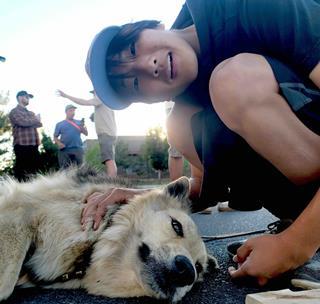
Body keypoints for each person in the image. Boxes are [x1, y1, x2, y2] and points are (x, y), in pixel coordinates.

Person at [83, 0, 320, 286]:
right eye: (134, 84)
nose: (148, 66)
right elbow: (203, 191)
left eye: (133, 49)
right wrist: (141, 197)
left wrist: (294, 245)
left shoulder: (250, 7)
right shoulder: (185, 111)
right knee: (180, 127)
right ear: (152, 100)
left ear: (154, 25)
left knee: (233, 82)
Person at [56, 89, 117, 177]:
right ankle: (111, 182)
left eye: (94, 93)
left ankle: (111, 184)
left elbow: (84, 102)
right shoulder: (107, 101)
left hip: (105, 134)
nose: (93, 95)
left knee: (109, 160)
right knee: (109, 159)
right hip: (109, 133)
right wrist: (94, 117)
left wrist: (66, 95)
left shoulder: (101, 98)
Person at [9, 90, 42, 181]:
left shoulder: (30, 113)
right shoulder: (14, 111)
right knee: (22, 173)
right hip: (21, 145)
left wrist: (35, 121)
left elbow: (39, 124)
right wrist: (35, 120)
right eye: (26, 97)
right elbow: (22, 122)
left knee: (34, 172)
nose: (28, 99)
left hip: (33, 145)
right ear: (20, 98)